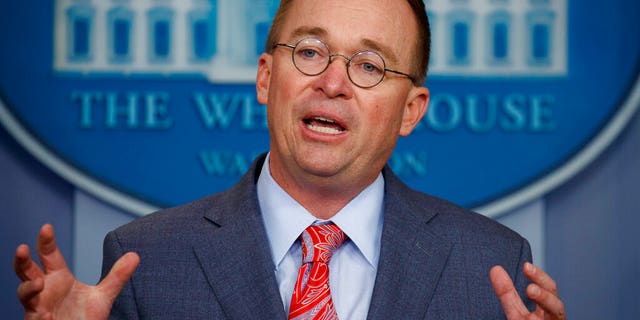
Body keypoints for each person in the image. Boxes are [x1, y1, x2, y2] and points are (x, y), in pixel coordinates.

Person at [14, 0, 566, 319]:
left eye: (370, 65)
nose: (332, 82)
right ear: (265, 77)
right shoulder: (144, 263)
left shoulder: (492, 268)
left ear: (411, 111)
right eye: (309, 52)